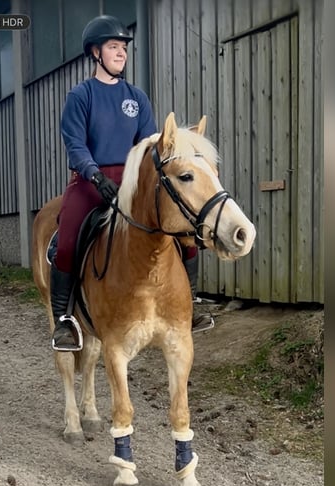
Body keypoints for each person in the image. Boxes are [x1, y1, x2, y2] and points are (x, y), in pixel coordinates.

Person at [50, 14, 213, 351]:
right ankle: (64, 320)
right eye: (113, 47)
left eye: (123, 47)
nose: (121, 53)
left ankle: (191, 305)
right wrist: (94, 175)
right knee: (66, 239)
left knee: (183, 232)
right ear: (96, 53)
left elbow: (151, 141)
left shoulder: (136, 97)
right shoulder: (80, 96)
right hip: (90, 181)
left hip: (134, 181)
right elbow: (75, 144)